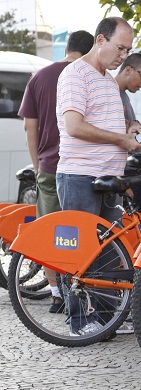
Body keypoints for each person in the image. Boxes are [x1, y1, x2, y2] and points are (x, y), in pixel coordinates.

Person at [55, 17, 141, 337]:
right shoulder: (74, 74)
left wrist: (129, 136)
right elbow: (74, 126)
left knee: (110, 253)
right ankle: (79, 321)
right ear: (100, 40)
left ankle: (108, 320)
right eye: (120, 47)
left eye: (128, 49)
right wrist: (119, 140)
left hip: (109, 177)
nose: (123, 55)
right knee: (80, 252)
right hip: (80, 175)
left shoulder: (109, 81)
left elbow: (108, 129)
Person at [17, 30, 94, 314]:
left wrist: (38, 167)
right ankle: (84, 294)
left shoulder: (39, 77)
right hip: (83, 168)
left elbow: (30, 127)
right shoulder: (87, 75)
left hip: (50, 166)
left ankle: (55, 294)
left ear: (68, 48)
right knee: (82, 231)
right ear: (89, 50)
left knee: (51, 232)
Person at [115, 53, 141, 217]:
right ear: (128, 70)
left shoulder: (124, 96)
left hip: (133, 171)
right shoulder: (112, 94)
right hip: (123, 173)